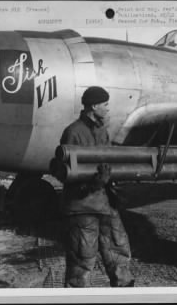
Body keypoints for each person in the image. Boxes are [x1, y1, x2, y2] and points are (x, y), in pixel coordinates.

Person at [60, 86, 134, 287]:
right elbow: (67, 176)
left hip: (106, 205)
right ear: (94, 106)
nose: (108, 109)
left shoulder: (102, 131)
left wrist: (112, 182)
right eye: (105, 104)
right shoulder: (73, 133)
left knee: (119, 256)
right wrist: (94, 183)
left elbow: (107, 162)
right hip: (82, 209)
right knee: (81, 264)